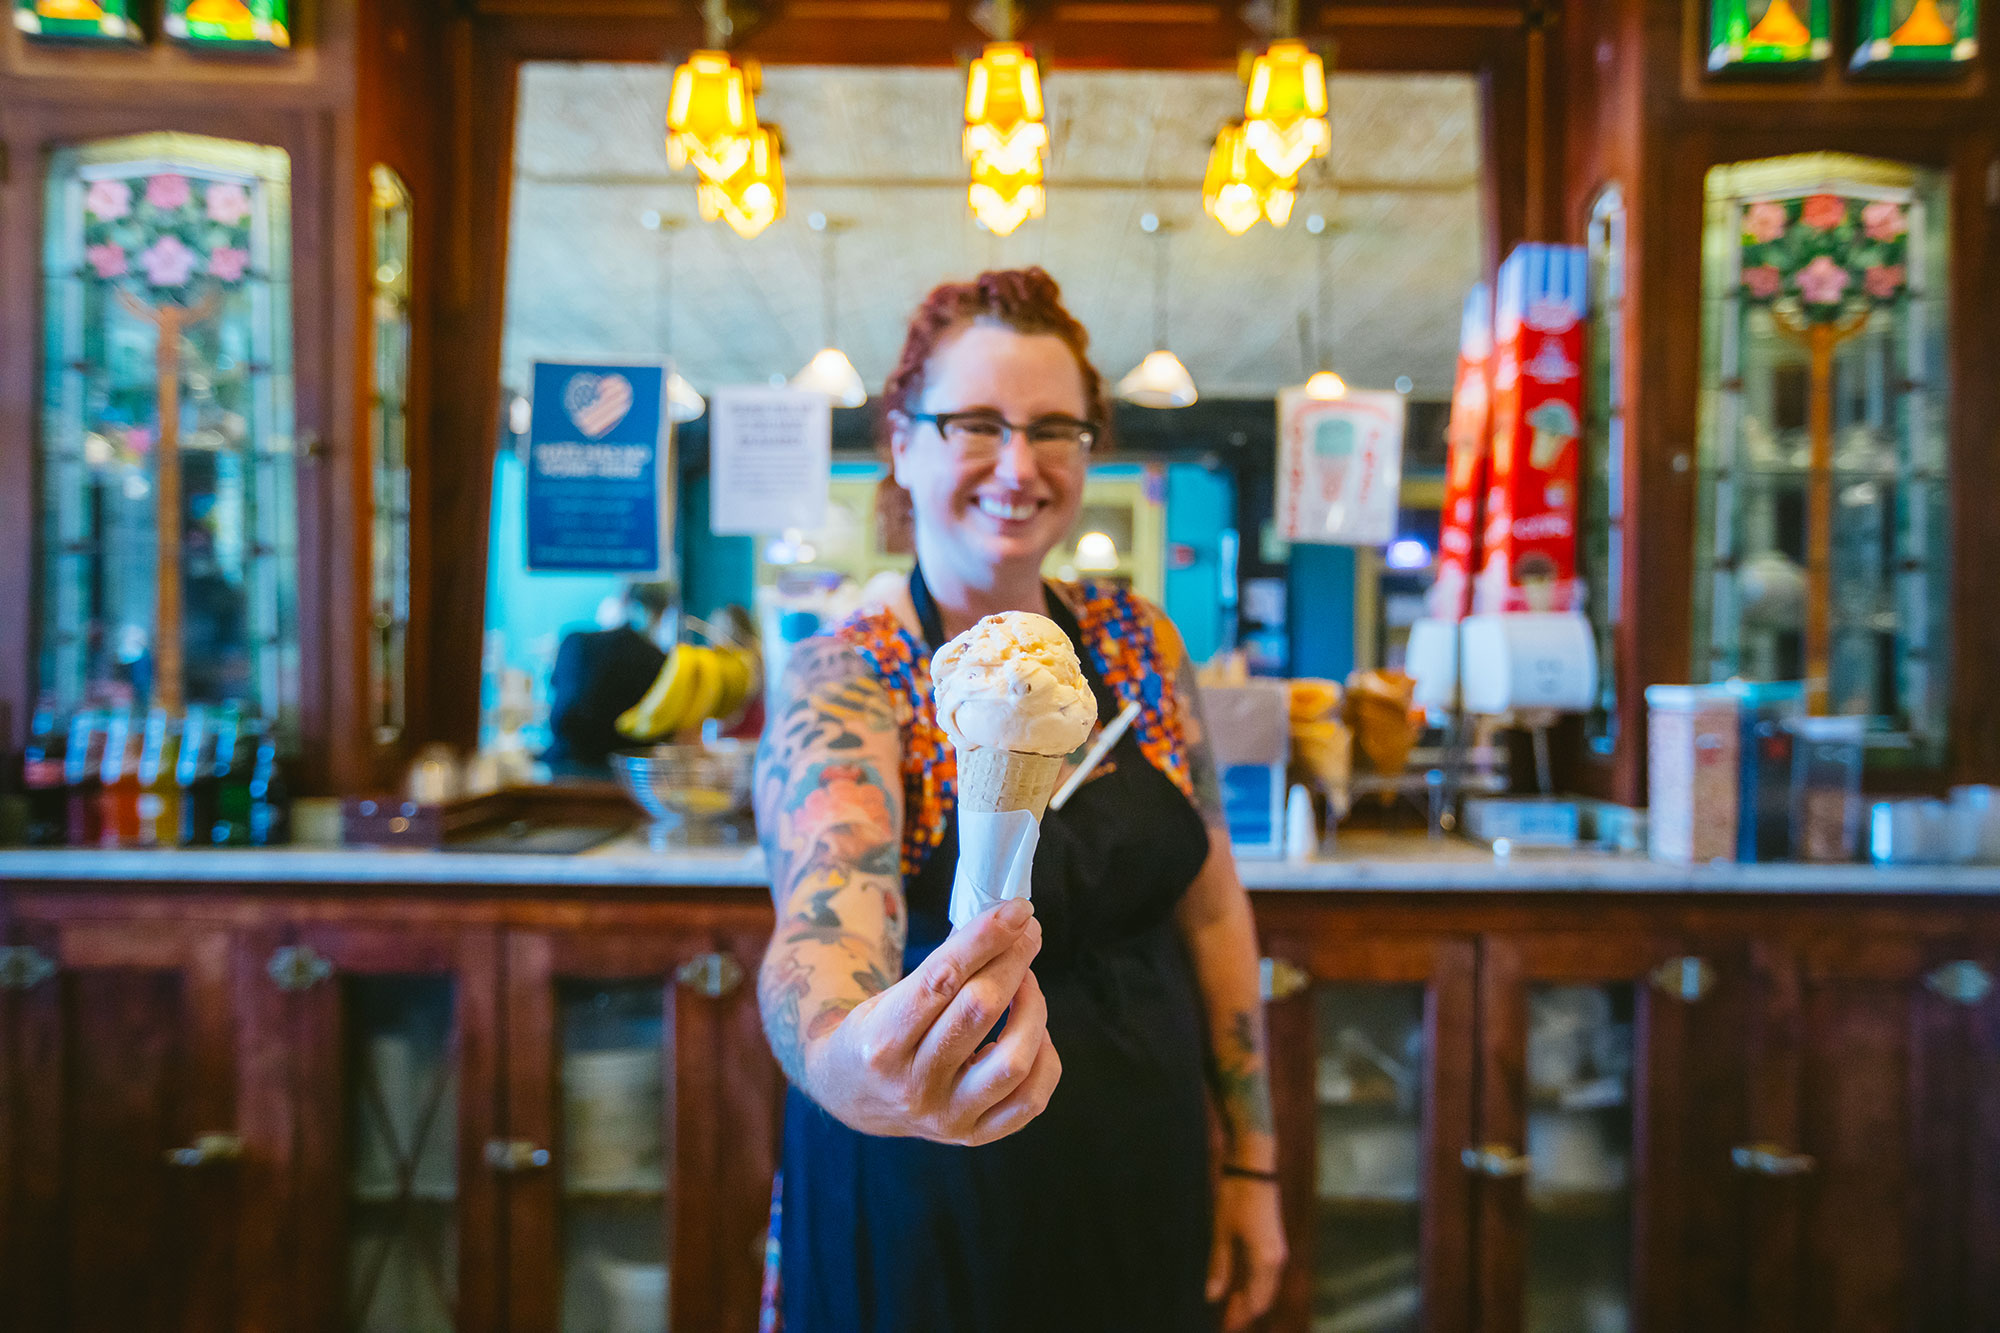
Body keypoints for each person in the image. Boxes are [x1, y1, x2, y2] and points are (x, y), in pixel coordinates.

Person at [755, 268, 1284, 1332]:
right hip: (925, 1187)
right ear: (900, 444)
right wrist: (845, 1061)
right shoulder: (848, 674)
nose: (1018, 463)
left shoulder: (1141, 641)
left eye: (1055, 428)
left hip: (1141, 1168)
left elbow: (1214, 904)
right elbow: (825, 912)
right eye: (974, 423)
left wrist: (1253, 1165)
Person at [542, 580, 675, 775]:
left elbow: (556, 694)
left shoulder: (575, 641)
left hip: (562, 767)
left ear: (623, 600)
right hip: (626, 777)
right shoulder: (661, 662)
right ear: (663, 613)